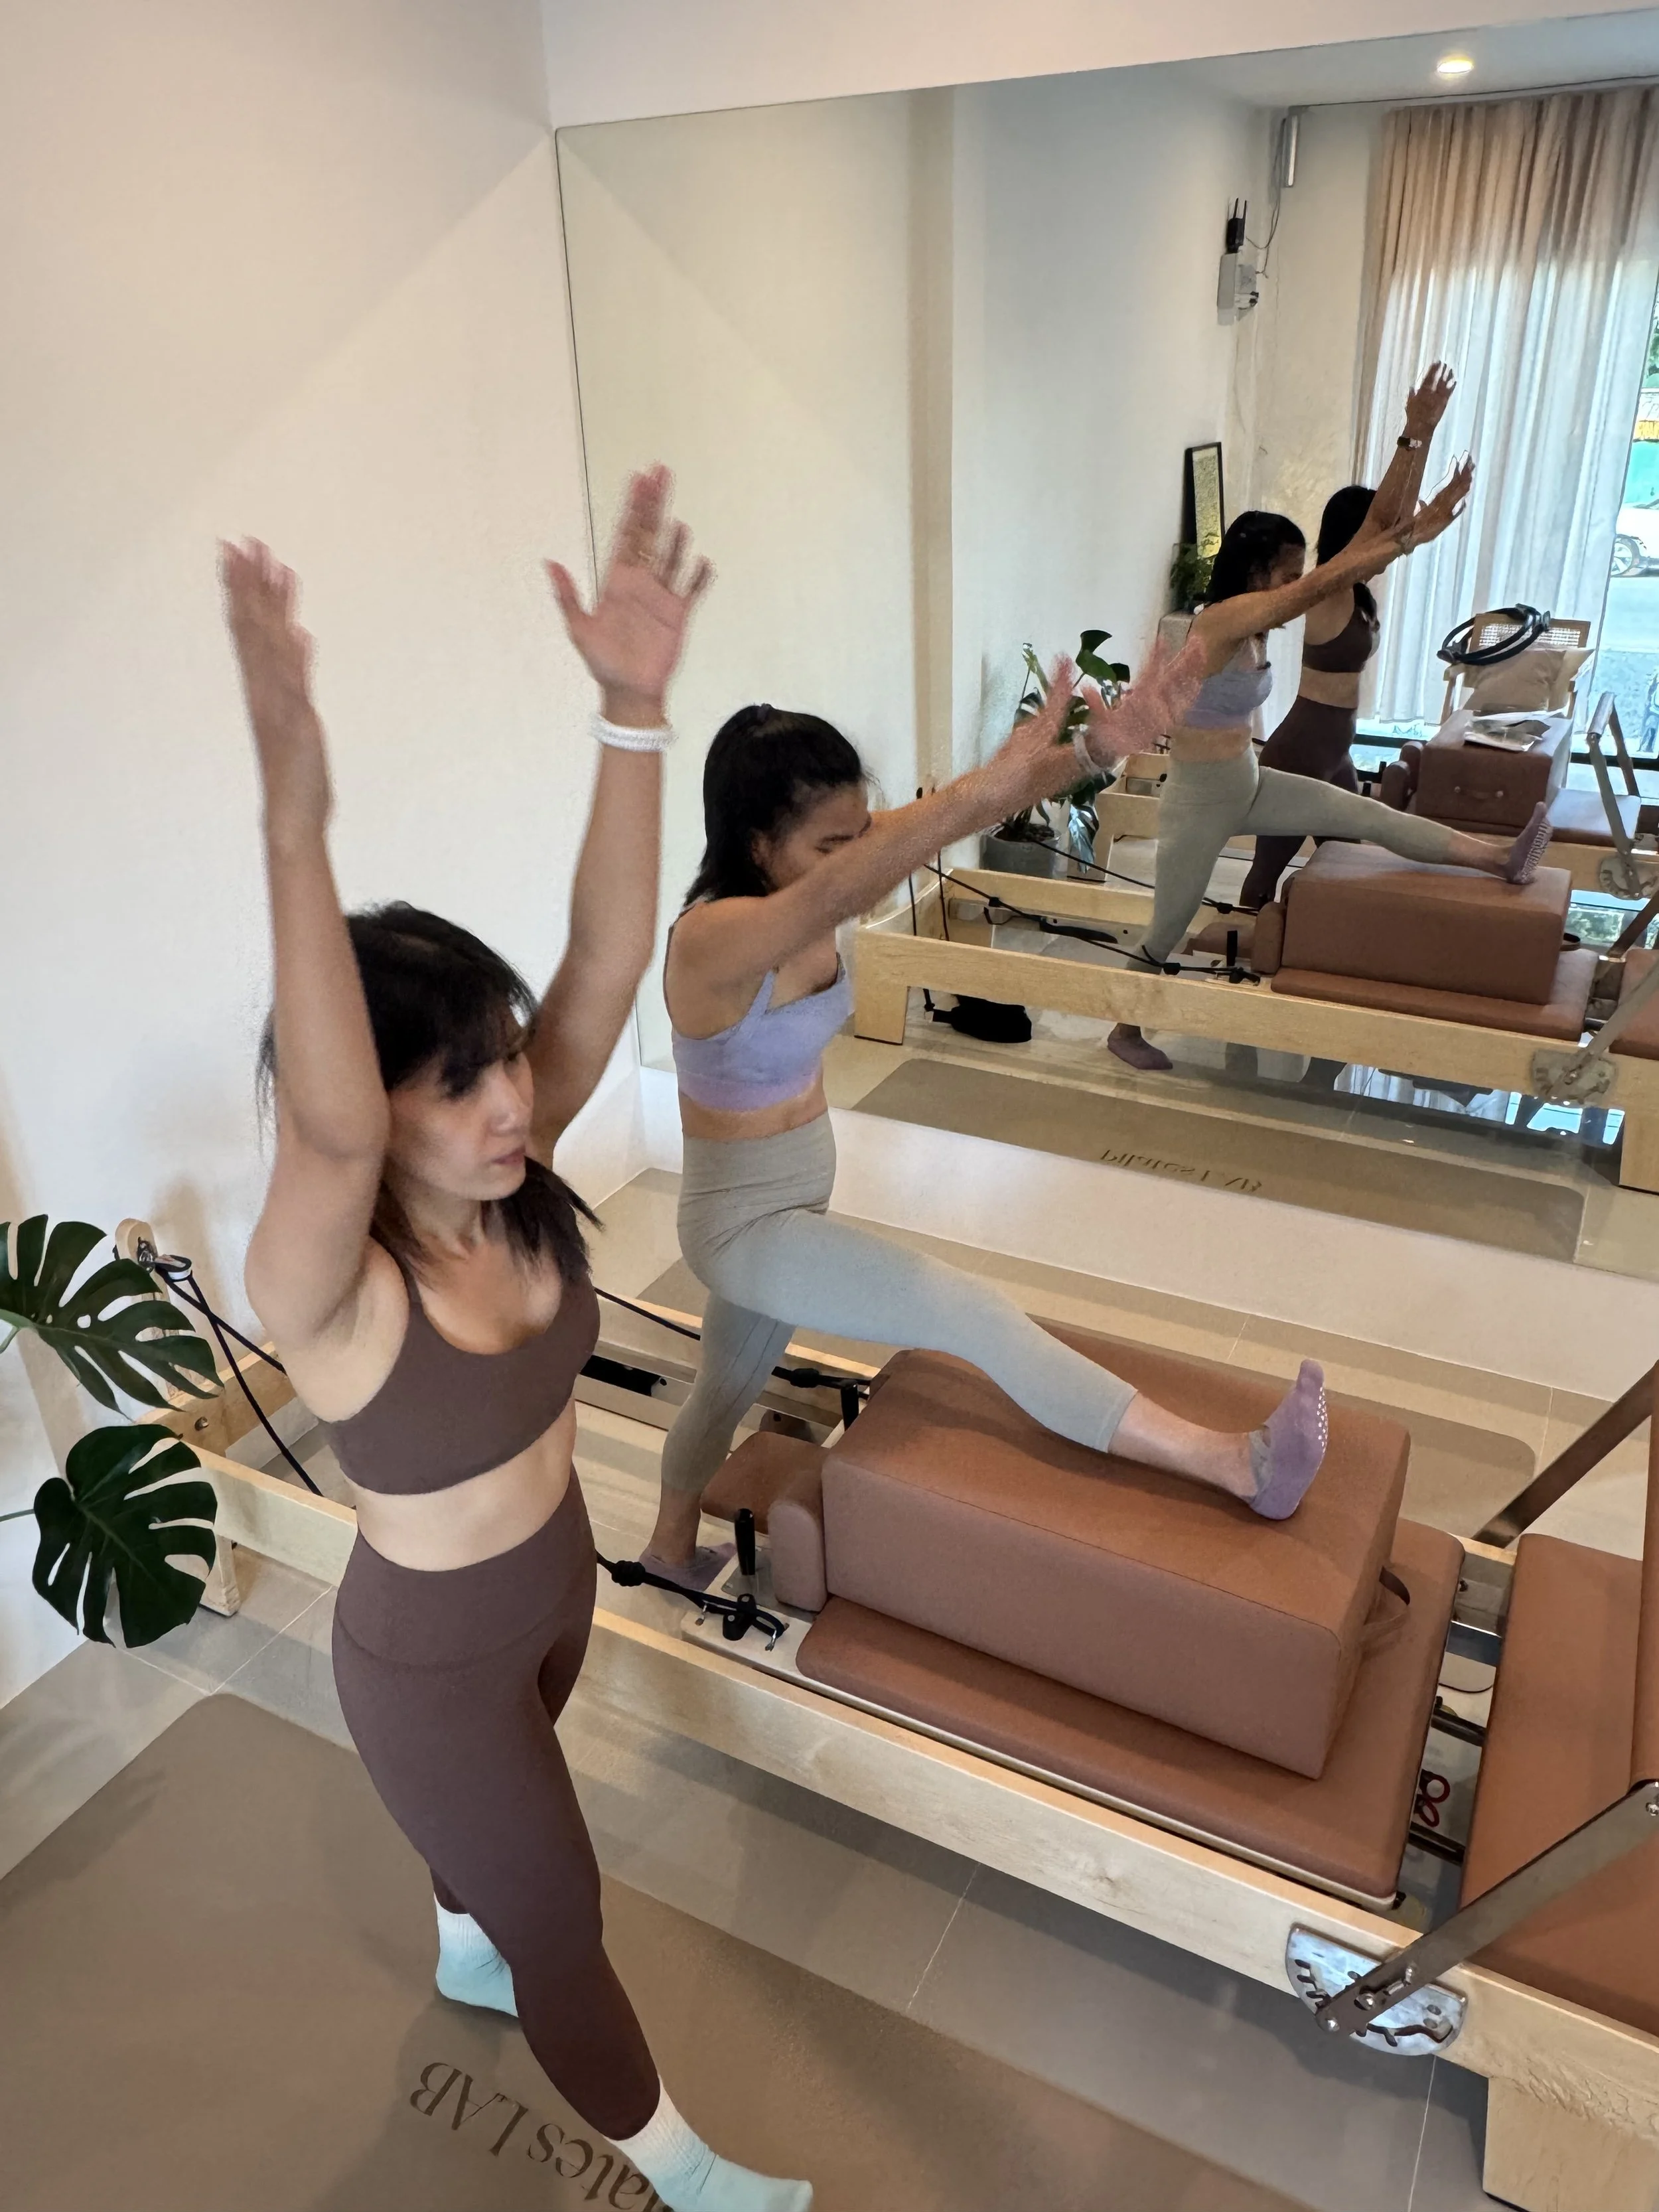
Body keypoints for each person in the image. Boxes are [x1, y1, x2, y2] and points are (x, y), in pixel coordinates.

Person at [226, 471, 816, 2212]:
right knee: (572, 1921)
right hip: (423, 1667)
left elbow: (607, 953)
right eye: (459, 1077)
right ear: (373, 1111)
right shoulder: (327, 1284)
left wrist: (632, 713)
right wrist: (294, 827)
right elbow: (332, 1134)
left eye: (505, 1058)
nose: (513, 1098)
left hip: (549, 1589)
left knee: (498, 1891)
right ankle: (686, 2172)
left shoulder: (508, 1172)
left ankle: (457, 1926)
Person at [639, 663, 1334, 1584]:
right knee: (965, 1309)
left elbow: (948, 820)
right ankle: (1232, 1462)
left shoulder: (819, 865)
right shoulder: (712, 940)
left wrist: (1092, 749)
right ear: (759, 842)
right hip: (742, 1226)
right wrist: (987, 788)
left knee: (722, 1387)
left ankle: (667, 1548)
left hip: (798, 1191)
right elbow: (859, 879)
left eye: (861, 831)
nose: (858, 855)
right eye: (832, 844)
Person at [1102, 457, 1556, 1075]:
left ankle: (1497, 858)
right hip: (1200, 801)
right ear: (1259, 572)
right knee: (1169, 924)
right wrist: (1412, 523)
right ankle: (1124, 1029)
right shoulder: (1222, 622)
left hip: (1250, 781)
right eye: (1288, 574)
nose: (1298, 583)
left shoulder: (1256, 625)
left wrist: (1415, 489)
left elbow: (1348, 561)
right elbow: (1332, 577)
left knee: (1365, 813)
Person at [1237, 364, 1458, 911]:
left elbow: (1397, 518)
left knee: (1345, 859)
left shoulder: (1357, 594)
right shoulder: (1330, 590)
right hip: (1303, 749)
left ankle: (1325, 945)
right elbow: (1386, 522)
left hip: (1334, 748)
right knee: (1267, 868)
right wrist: (1416, 432)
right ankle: (1235, 955)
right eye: (1376, 537)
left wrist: (1426, 439)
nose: (1391, 542)